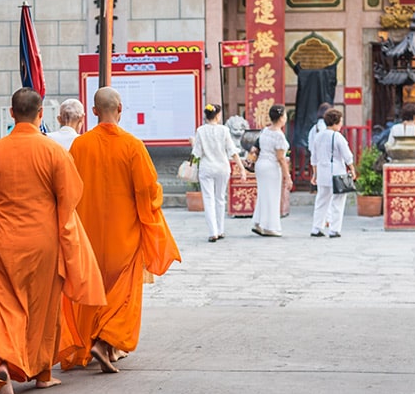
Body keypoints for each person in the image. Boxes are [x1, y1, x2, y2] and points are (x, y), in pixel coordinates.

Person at [0, 88, 91, 394]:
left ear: (11, 113)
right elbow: (70, 197)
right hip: (44, 240)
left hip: (3, 239)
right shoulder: (53, 151)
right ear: (40, 114)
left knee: (5, 305)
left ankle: (3, 361)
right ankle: (42, 374)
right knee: (43, 310)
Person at [66, 87, 181, 373]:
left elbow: (68, 190)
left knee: (93, 289)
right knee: (123, 293)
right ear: (120, 108)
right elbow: (147, 190)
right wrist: (150, 213)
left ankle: (97, 341)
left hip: (88, 233)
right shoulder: (132, 146)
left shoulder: (79, 146)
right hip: (124, 234)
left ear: (93, 112)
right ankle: (106, 342)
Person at [191, 103, 245, 242]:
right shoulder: (224, 130)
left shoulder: (200, 131)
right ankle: (220, 230)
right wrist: (242, 169)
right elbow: (232, 151)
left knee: (208, 200)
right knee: (220, 198)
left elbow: (196, 154)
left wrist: (192, 144)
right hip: (222, 168)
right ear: (218, 116)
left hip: (206, 168)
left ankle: (213, 232)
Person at [310, 108, 356, 239]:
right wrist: (352, 168)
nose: (341, 124)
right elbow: (347, 155)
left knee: (321, 201)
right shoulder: (337, 136)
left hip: (322, 172)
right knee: (337, 202)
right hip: (337, 173)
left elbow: (314, 158)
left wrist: (315, 174)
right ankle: (334, 230)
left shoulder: (318, 136)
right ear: (336, 122)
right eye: (340, 121)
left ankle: (316, 228)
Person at [251, 104, 291, 238]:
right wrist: (288, 176)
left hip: (261, 165)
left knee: (263, 195)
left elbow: (256, 147)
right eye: (284, 115)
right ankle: (270, 226)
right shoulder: (279, 135)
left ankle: (259, 222)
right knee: (272, 196)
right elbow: (280, 158)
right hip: (271, 167)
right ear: (280, 118)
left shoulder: (265, 131)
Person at [306, 102, 333, 185]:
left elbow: (310, 146)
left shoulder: (314, 128)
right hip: (329, 160)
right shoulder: (329, 129)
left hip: (317, 159)